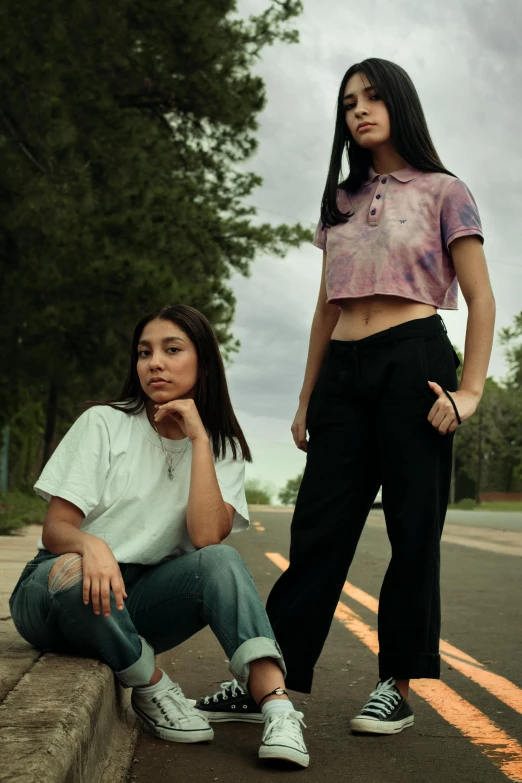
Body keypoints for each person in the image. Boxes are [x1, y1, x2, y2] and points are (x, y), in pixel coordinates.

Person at [195, 57, 495, 735]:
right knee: (318, 532)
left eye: (373, 97)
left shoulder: (447, 191)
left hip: (414, 361)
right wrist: (305, 400)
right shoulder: (341, 200)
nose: (358, 109)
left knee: (413, 528)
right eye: (349, 101)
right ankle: (265, 677)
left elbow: (480, 296)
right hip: (343, 376)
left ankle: (397, 683)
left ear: (401, 104)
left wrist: (469, 390)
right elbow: (325, 309)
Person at [9, 304, 309, 768]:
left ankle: (277, 708)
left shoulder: (221, 446)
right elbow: (55, 530)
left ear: (203, 361)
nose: (155, 363)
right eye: (145, 352)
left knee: (222, 562)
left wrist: (200, 441)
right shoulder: (104, 424)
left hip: (133, 600)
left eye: (172, 350)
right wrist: (94, 546)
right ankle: (152, 686)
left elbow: (207, 537)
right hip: (54, 592)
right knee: (75, 573)